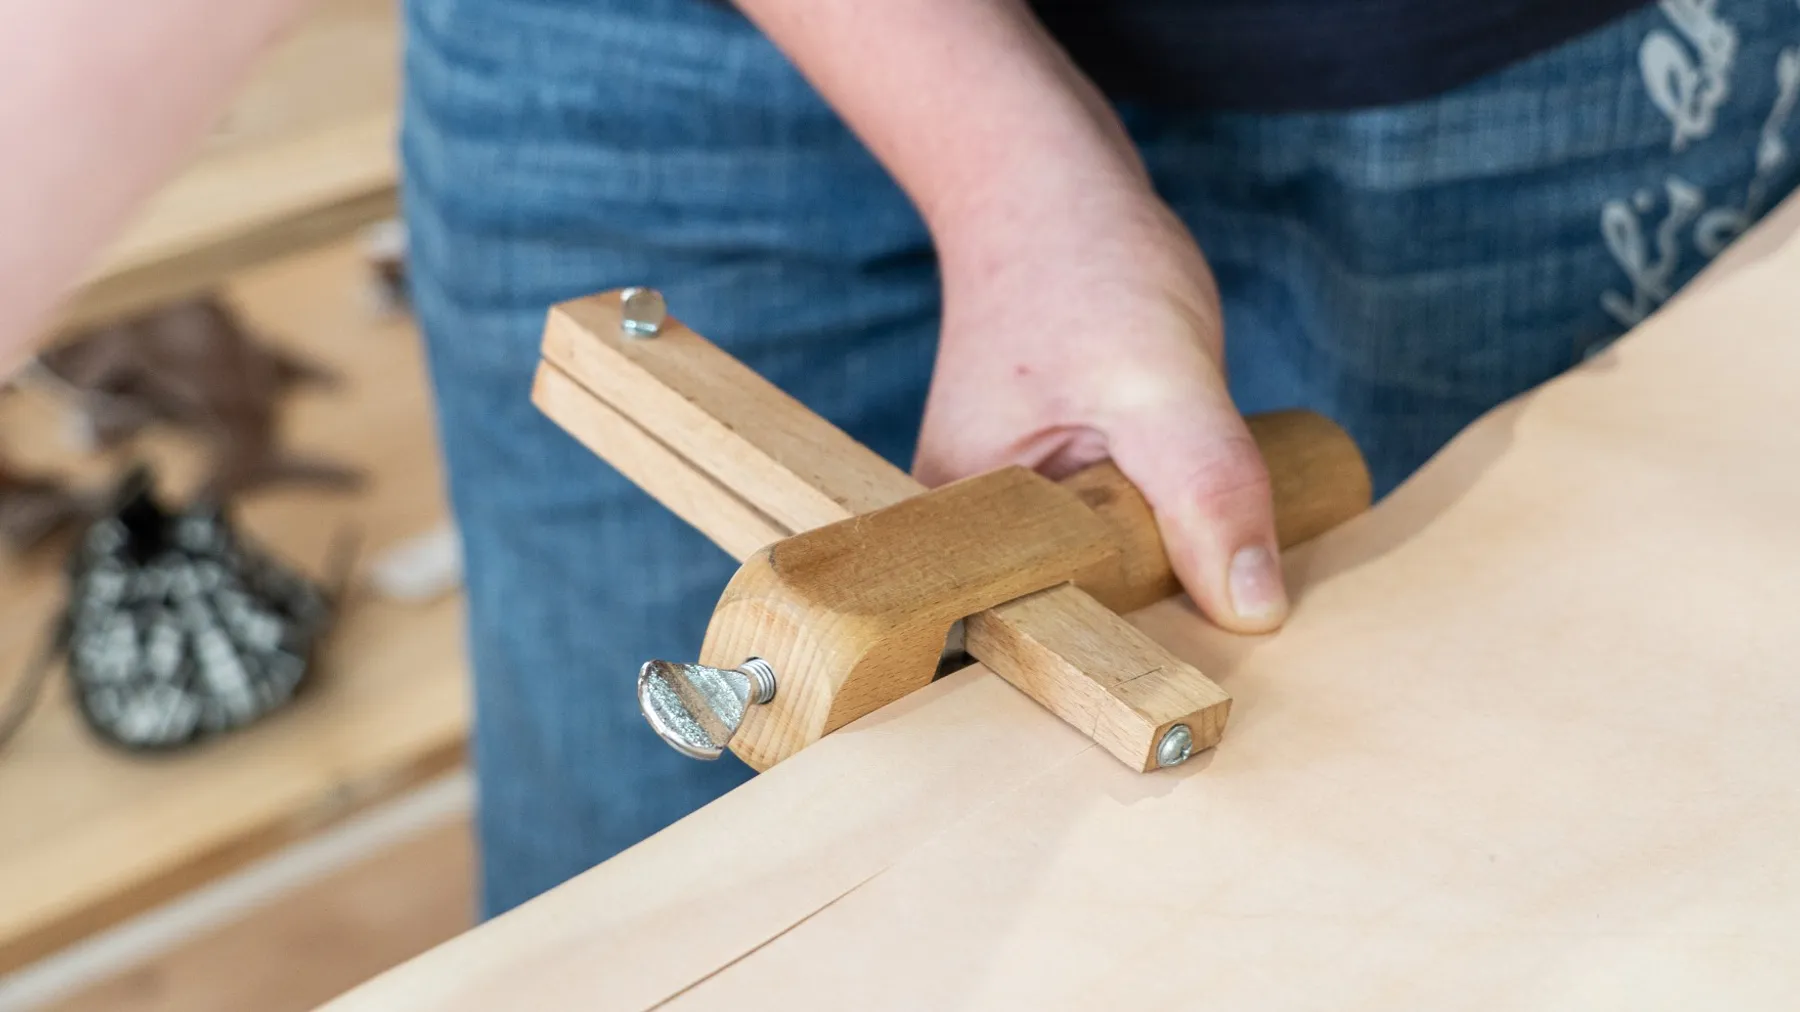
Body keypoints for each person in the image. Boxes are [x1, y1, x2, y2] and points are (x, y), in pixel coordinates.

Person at [5, 0, 1798, 917]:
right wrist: (999, 158)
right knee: (657, 926)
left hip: (1485, 62)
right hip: (679, 54)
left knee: (1435, 875)